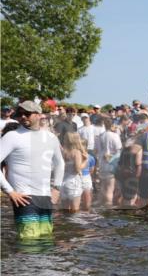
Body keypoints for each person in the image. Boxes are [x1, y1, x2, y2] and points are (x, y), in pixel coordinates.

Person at [0, 101, 65, 239]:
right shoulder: (12, 136)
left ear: (39, 115)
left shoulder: (50, 137)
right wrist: (10, 191)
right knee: (29, 242)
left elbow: (60, 163)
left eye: (27, 114)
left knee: (46, 239)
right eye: (20, 114)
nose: (23, 116)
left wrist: (57, 188)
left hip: (45, 196)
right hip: (24, 197)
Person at [59, 132, 88, 213]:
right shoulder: (76, 152)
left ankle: (66, 224)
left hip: (63, 181)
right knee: (75, 210)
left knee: (65, 210)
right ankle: (73, 225)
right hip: (73, 181)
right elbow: (77, 169)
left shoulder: (63, 151)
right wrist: (85, 161)